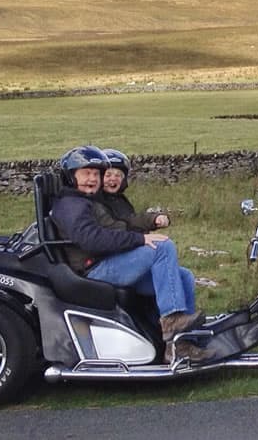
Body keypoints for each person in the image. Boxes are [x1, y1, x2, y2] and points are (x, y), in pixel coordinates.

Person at [49, 145, 208, 362]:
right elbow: (92, 240)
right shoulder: (71, 205)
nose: (92, 179)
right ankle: (172, 320)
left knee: (184, 276)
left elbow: (117, 225)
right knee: (163, 247)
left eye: (96, 174)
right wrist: (140, 239)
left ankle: (182, 345)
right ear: (71, 177)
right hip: (94, 269)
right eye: (86, 173)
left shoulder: (87, 201)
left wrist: (144, 229)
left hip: (107, 262)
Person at [96, 147, 196, 313]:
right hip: (110, 262)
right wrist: (144, 232)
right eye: (108, 175)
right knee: (163, 247)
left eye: (118, 175)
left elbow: (131, 219)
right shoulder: (97, 202)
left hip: (124, 259)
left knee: (185, 277)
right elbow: (117, 227)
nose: (113, 179)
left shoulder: (119, 201)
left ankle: (188, 326)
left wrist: (153, 220)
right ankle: (173, 316)